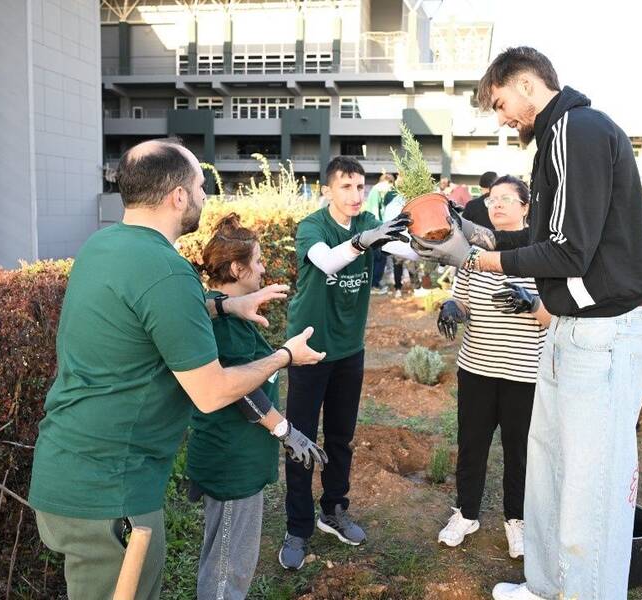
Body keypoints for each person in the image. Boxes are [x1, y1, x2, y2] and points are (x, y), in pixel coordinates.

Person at [27, 139, 324, 599]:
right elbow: (212, 390)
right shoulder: (166, 270)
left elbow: (143, 319)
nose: (205, 197)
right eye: (201, 186)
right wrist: (285, 356)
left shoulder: (101, 246)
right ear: (178, 196)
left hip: (67, 473)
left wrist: (226, 306)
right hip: (112, 493)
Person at [413, 47, 642, 600]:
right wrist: (482, 240)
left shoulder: (577, 128)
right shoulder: (554, 142)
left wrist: (479, 260)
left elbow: (568, 253)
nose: (502, 119)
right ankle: (547, 587)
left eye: (500, 104)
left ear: (526, 84)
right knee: (550, 470)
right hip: (574, 329)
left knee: (588, 488)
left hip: (606, 330)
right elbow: (549, 239)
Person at [279, 156, 417, 570]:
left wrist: (434, 236)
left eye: (360, 187)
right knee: (300, 440)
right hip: (309, 349)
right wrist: (364, 241)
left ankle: (334, 510)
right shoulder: (313, 227)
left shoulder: (369, 221)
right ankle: (297, 528)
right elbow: (327, 261)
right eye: (346, 187)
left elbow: (405, 250)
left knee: (341, 437)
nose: (356, 195)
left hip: (349, 351)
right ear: (328, 191)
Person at [189, 214, 328, 600]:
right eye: (259, 259)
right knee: (227, 568)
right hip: (232, 462)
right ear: (237, 268)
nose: (264, 267)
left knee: (224, 553)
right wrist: (287, 431)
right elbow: (238, 389)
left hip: (235, 456)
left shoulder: (224, 310)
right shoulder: (225, 322)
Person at [434, 175, 551, 558]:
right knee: (471, 446)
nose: (496, 204)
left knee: (519, 452)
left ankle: (516, 520)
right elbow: (463, 301)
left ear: (526, 207)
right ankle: (466, 513)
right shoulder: (472, 253)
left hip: (524, 374)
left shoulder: (543, 253)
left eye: (506, 198)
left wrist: (531, 303)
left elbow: (553, 319)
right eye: (491, 198)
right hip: (477, 368)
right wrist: (454, 308)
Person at [365, 173, 396, 295]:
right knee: (379, 258)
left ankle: (374, 283)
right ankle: (374, 285)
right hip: (377, 230)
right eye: (391, 185)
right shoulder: (377, 190)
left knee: (378, 258)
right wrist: (380, 232)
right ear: (387, 183)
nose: (390, 188)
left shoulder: (376, 191)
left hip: (376, 229)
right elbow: (374, 213)